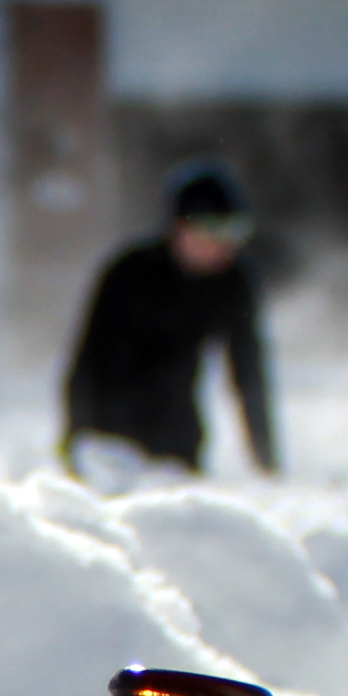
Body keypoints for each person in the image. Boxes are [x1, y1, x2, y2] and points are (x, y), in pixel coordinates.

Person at [57, 160, 279, 480]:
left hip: (179, 440)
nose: (222, 245)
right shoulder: (128, 273)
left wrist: (265, 457)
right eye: (211, 231)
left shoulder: (234, 281)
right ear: (179, 227)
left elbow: (248, 369)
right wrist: (76, 440)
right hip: (110, 436)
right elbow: (87, 365)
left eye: (234, 232)